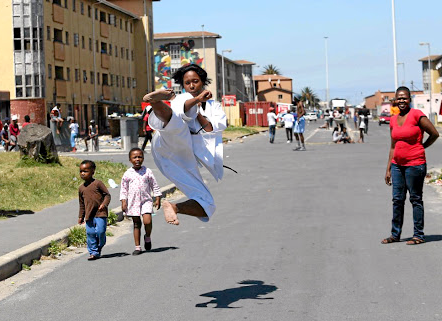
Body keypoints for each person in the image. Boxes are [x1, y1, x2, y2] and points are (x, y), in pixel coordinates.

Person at [142, 64, 226, 226]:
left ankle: (173, 206)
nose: (192, 85)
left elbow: (211, 128)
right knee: (177, 124)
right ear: (183, 85)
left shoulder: (214, 106)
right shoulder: (180, 99)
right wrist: (195, 101)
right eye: (187, 83)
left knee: (207, 204)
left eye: (195, 81)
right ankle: (154, 101)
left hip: (182, 156)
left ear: (203, 82)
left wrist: (199, 107)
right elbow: (180, 111)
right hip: (166, 142)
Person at [382, 86, 439, 245]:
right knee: (397, 200)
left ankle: (418, 235)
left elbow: (434, 134)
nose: (401, 101)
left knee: (415, 199)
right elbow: (393, 146)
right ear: (395, 100)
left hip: (415, 164)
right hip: (397, 165)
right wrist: (388, 169)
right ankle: (395, 234)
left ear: (409, 99)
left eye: (404, 98)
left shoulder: (417, 115)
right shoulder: (393, 119)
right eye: (399, 98)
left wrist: (422, 146)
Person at [120, 148, 162, 255]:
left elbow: (154, 185)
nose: (137, 159)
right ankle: (137, 247)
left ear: (143, 158)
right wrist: (123, 201)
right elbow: (124, 189)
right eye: (135, 157)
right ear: (130, 160)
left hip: (146, 201)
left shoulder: (147, 171)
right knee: (136, 223)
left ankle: (147, 236)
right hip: (133, 202)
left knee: (147, 221)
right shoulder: (127, 174)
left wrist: (158, 197)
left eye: (140, 157)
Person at [78, 160, 111, 260]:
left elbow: (107, 195)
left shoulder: (98, 183)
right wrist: (80, 216)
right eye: (81, 171)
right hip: (89, 215)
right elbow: (82, 204)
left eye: (85, 171)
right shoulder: (81, 188)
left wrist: (104, 204)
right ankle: (93, 252)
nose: (83, 173)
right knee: (90, 234)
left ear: (93, 171)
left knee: (100, 232)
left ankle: (99, 246)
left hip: (100, 213)